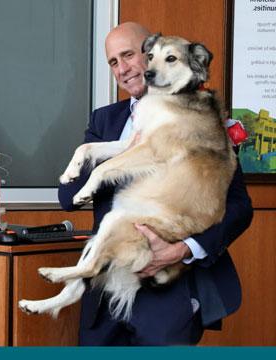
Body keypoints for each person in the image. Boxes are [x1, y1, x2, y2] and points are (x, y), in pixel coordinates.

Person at [58, 22, 253, 346]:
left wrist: (183, 250)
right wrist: (128, 153)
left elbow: (239, 207)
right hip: (106, 292)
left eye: (129, 55)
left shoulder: (201, 116)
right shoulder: (104, 120)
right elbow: (68, 196)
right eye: (113, 62)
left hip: (169, 292)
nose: (123, 69)